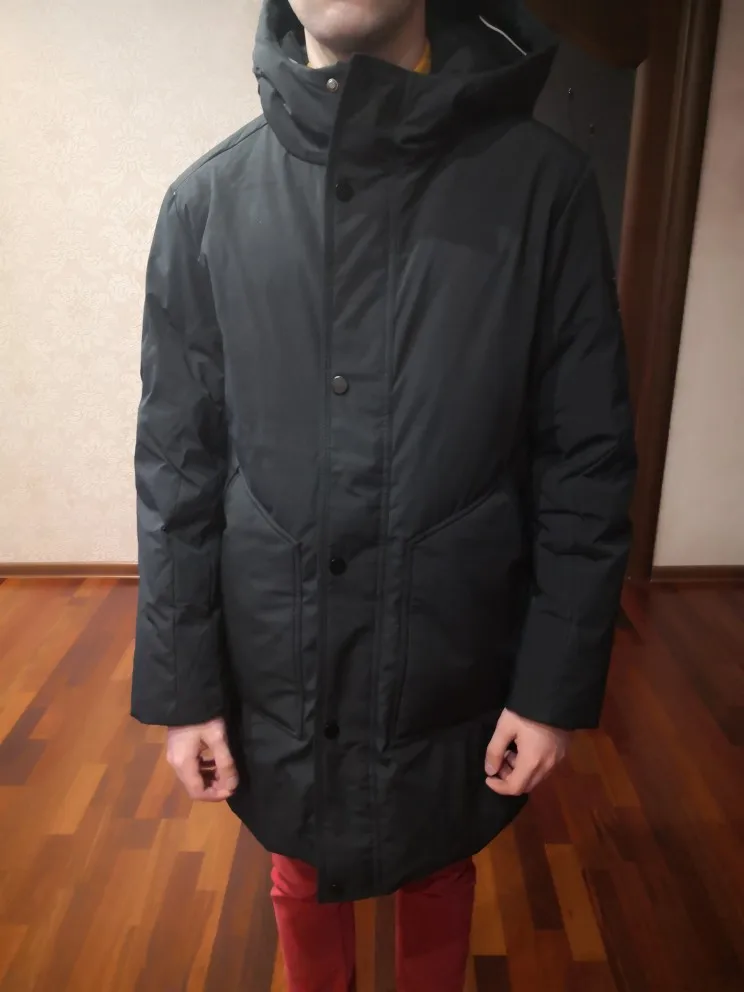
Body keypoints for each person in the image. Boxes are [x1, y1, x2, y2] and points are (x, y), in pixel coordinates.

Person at [131, 0, 637, 988]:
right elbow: (176, 466)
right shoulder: (206, 204)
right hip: (275, 651)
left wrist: (552, 687)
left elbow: (586, 456)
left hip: (457, 650)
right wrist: (185, 688)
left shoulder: (544, 189)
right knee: (299, 856)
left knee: (439, 852)